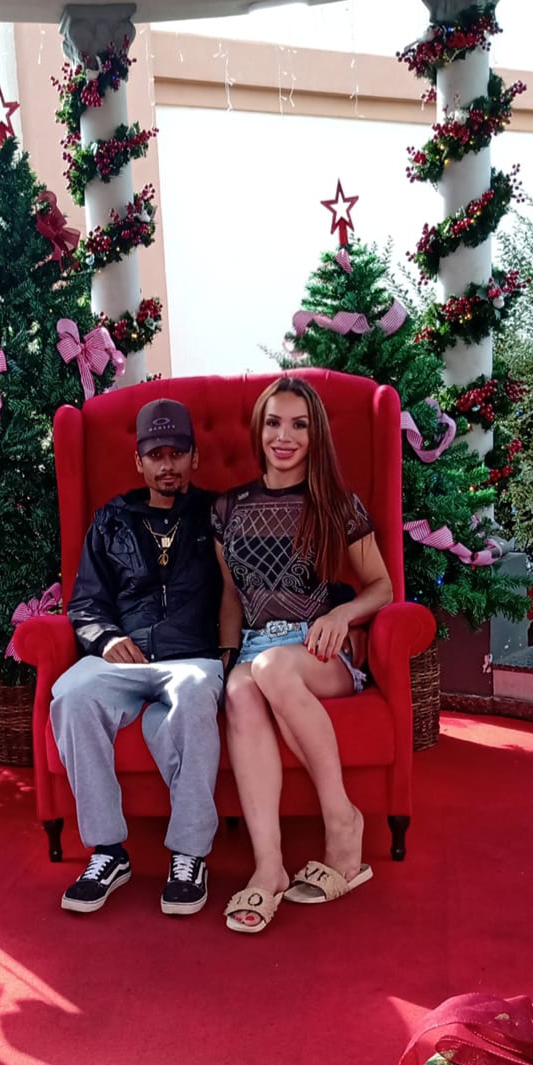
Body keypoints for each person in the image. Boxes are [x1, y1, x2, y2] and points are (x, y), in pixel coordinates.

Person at [213, 375, 393, 934]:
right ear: (258, 429)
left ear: (315, 436)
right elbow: (231, 596)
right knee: (241, 689)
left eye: (299, 425)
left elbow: (382, 587)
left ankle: (342, 822)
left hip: (318, 650)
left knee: (270, 667)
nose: (283, 437)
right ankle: (269, 868)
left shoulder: (336, 504)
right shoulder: (227, 508)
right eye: (273, 423)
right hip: (255, 647)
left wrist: (341, 616)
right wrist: (226, 656)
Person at [52, 398, 225, 916]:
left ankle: (189, 853)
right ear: (139, 462)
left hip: (192, 656)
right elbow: (84, 602)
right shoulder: (111, 519)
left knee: (194, 692)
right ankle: (108, 851)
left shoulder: (219, 513)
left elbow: (258, 581)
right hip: (124, 655)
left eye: (177, 453)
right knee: (72, 695)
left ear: (194, 457)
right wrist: (105, 639)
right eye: (156, 455)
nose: (167, 465)